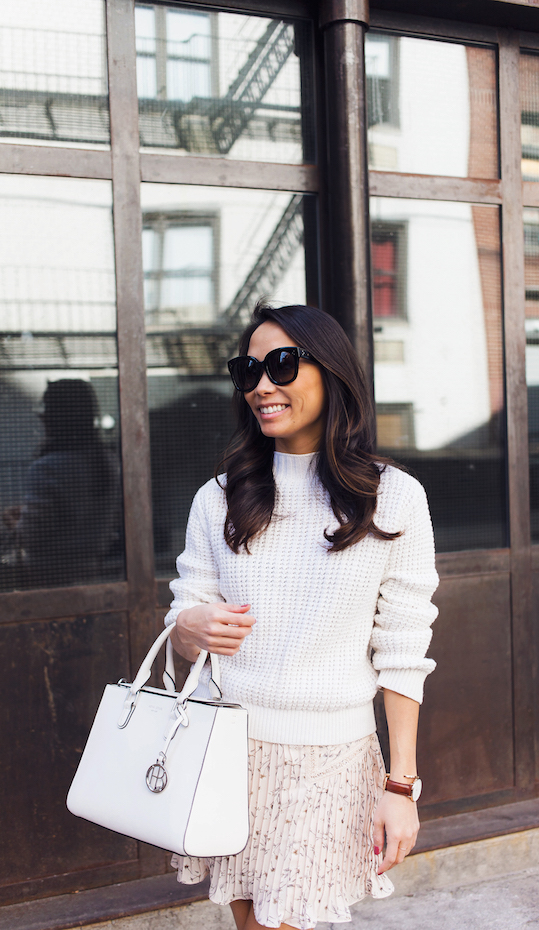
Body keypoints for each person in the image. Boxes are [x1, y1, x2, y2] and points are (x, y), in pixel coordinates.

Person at [165, 302, 439, 930]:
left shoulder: (391, 496)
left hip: (330, 758)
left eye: (282, 364)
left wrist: (401, 788)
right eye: (248, 370)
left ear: (332, 372)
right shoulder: (220, 497)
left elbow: (403, 648)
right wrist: (187, 626)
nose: (262, 384)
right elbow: (187, 611)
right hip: (229, 753)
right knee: (252, 923)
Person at [4, 379, 120, 588]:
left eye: (46, 408)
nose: (41, 415)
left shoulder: (48, 467)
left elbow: (31, 536)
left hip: (48, 582)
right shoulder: (107, 461)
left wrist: (13, 521)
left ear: (57, 416)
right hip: (92, 576)